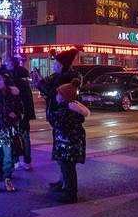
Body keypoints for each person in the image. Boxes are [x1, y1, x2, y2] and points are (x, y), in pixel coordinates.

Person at [32, 48, 80, 190]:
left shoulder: (66, 77)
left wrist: (41, 83)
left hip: (63, 118)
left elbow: (54, 92)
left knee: (65, 156)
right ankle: (62, 181)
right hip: (58, 118)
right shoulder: (60, 75)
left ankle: (68, 187)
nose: (54, 64)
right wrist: (40, 83)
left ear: (62, 64)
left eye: (56, 62)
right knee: (61, 154)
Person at [49, 78, 90, 203]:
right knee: (68, 169)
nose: (56, 96)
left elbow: (57, 123)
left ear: (64, 97)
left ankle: (71, 194)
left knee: (68, 170)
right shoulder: (69, 110)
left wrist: (53, 114)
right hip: (69, 147)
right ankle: (68, 190)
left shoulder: (66, 112)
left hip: (67, 147)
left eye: (58, 94)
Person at [5, 56, 36, 170]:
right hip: (24, 112)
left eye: (7, 63)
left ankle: (17, 159)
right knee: (24, 136)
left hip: (16, 111)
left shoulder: (11, 77)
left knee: (14, 136)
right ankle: (26, 160)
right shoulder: (23, 76)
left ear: (11, 64)